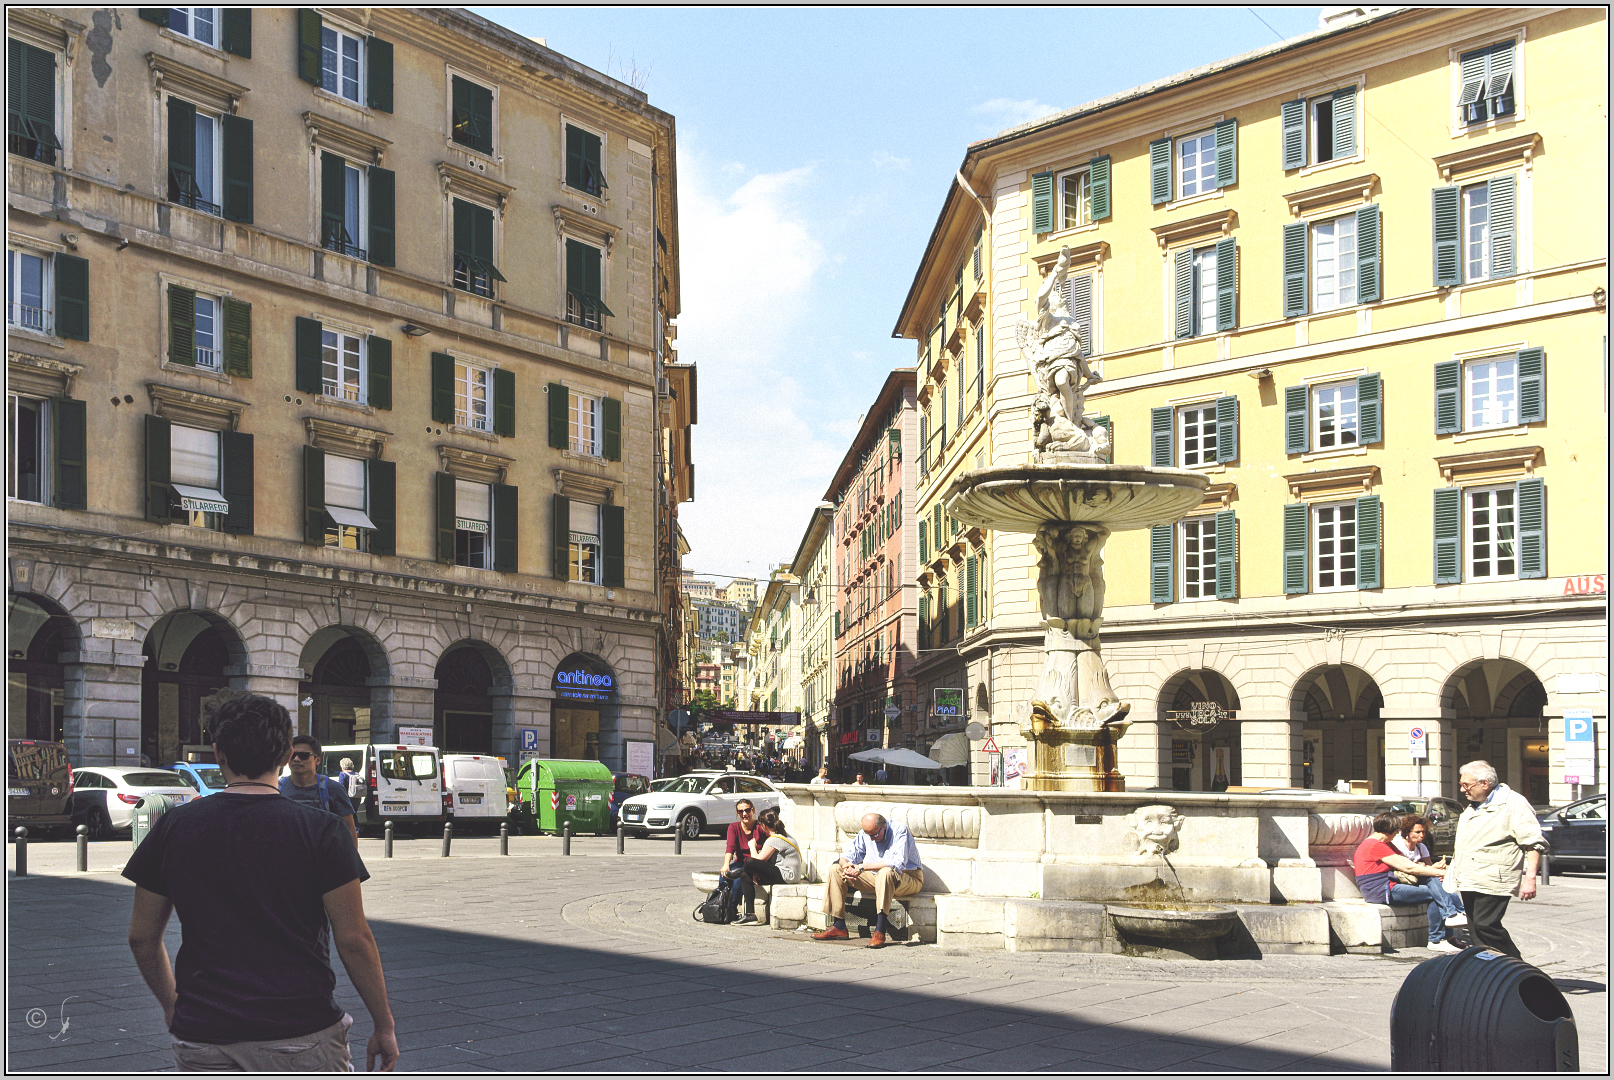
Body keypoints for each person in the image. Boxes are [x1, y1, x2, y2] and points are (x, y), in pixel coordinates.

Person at [124, 694, 398, 1071]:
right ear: (286, 754)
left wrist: (173, 1005)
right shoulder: (323, 830)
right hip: (302, 1030)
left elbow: (141, 936)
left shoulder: (173, 826)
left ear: (219, 753)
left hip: (204, 1032)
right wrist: (384, 1024)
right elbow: (354, 938)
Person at [1448, 759, 1547, 958]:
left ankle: (1518, 967)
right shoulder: (1474, 805)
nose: (1462, 790)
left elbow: (1534, 842)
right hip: (1469, 876)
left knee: (1487, 924)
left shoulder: (1513, 803)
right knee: (1475, 928)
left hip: (1494, 877)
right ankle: (1488, 968)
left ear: (1484, 783)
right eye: (1461, 785)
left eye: (1466, 785)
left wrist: (1530, 878)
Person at [1352, 812, 1466, 953]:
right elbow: (1408, 867)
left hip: (1389, 885)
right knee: (1434, 894)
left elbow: (1407, 862)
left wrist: (1432, 870)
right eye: (1395, 832)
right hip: (1383, 890)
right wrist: (1442, 872)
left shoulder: (1384, 844)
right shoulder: (1376, 845)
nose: (1396, 835)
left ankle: (1452, 920)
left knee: (1438, 884)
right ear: (1391, 830)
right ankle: (1437, 939)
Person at [813, 812, 925, 949]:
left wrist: (861, 867)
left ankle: (880, 931)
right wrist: (846, 865)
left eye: (875, 834)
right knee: (835, 869)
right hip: (876, 877)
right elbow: (847, 856)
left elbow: (897, 863)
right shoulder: (865, 833)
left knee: (886, 872)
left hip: (908, 878)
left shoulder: (899, 830)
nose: (871, 839)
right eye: (868, 835)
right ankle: (838, 926)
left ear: (884, 827)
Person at [279, 735, 359, 848]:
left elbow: (348, 828)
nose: (296, 759)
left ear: (317, 760)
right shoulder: (277, 788)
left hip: (322, 860)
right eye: (292, 755)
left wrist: (352, 861)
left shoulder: (333, 789)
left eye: (303, 755)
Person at [731, 807, 804, 925]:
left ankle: (738, 872)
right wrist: (754, 872)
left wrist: (752, 846)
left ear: (763, 826)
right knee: (746, 875)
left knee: (749, 862)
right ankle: (750, 915)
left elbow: (756, 860)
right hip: (789, 874)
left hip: (786, 875)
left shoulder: (774, 839)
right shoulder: (785, 835)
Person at [719, 798, 770, 925]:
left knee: (737, 882)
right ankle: (720, 905)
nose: (744, 814)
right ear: (737, 813)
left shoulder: (760, 827)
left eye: (747, 810)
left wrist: (760, 869)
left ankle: (731, 909)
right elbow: (729, 847)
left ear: (753, 810)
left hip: (756, 862)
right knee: (724, 877)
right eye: (740, 811)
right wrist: (726, 865)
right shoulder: (733, 827)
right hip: (740, 862)